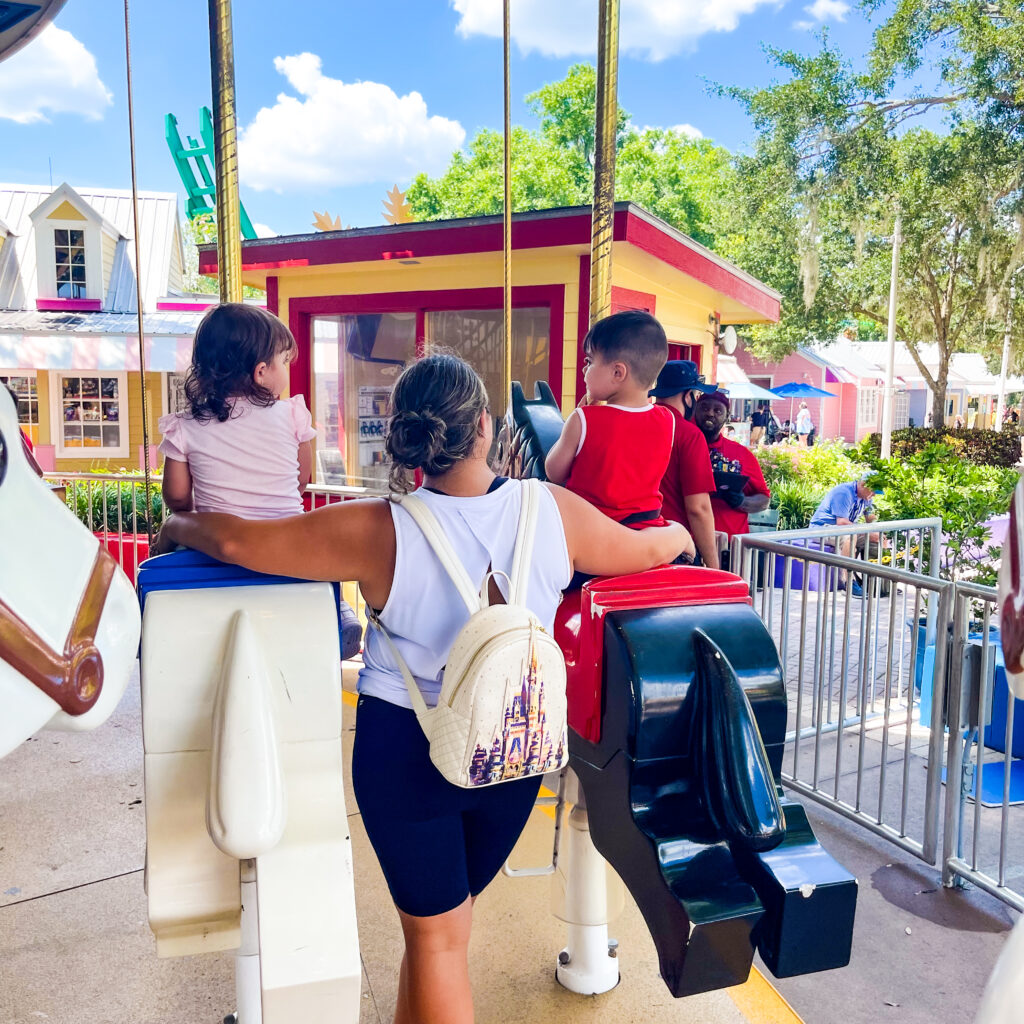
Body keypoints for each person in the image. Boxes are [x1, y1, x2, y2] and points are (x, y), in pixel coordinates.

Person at [154, 353, 692, 1024]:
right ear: (485, 429)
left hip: (406, 752)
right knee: (441, 930)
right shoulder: (551, 511)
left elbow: (235, 542)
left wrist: (176, 526)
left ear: (408, 435)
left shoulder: (376, 529)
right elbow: (645, 553)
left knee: (437, 938)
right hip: (512, 748)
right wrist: (674, 532)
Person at [158, 302, 361, 655]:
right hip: (286, 541)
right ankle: (338, 611)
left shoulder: (185, 425)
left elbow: (175, 497)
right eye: (285, 362)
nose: (288, 370)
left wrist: (195, 515)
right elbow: (301, 478)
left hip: (219, 544)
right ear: (262, 372)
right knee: (324, 547)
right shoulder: (291, 415)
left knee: (174, 537)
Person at [546, 310, 674, 528]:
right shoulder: (667, 419)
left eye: (589, 361)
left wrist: (575, 420)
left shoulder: (584, 419)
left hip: (591, 531)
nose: (584, 369)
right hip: (647, 527)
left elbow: (554, 472)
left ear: (617, 373)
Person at [650, 359, 720, 568]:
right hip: (675, 548)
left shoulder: (633, 423)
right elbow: (698, 508)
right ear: (688, 395)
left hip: (632, 542)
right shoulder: (689, 434)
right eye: (697, 395)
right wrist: (714, 566)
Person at [694, 390, 770, 556]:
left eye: (718, 410)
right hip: (687, 542)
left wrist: (741, 502)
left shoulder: (741, 454)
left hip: (729, 547)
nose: (710, 414)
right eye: (705, 408)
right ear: (695, 409)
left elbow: (764, 499)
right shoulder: (680, 446)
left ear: (727, 417)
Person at [809, 473, 884, 595]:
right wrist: (867, 532)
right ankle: (848, 582)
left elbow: (870, 518)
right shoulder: (844, 493)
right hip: (821, 529)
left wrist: (878, 532)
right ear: (863, 485)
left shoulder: (866, 498)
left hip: (842, 529)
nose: (874, 494)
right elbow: (842, 523)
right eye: (874, 491)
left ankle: (875, 583)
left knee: (877, 540)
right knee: (851, 536)